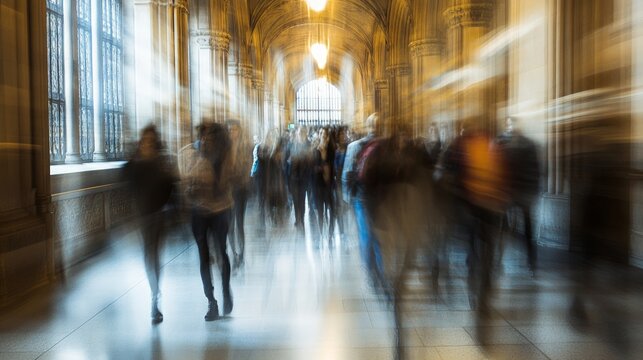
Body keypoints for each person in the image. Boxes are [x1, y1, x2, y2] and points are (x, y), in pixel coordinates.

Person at [124, 125, 176, 324]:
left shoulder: (161, 163)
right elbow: (127, 181)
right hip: (143, 216)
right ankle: (154, 292)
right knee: (149, 255)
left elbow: (170, 187)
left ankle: (155, 297)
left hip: (158, 215)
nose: (147, 144)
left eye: (151, 141)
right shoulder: (135, 164)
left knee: (155, 254)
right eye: (145, 140)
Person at [183, 122, 234, 321]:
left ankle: (226, 289)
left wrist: (210, 167)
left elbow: (223, 184)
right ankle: (211, 300)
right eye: (203, 136)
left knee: (221, 251)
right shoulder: (193, 155)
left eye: (210, 137)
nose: (205, 140)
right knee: (204, 257)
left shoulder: (224, 157)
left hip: (221, 209)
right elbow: (187, 182)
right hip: (199, 212)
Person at [495, 117, 540, 273]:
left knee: (504, 227)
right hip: (520, 192)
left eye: (510, 124)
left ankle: (500, 259)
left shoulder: (503, 143)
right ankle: (531, 262)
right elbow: (536, 169)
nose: (510, 127)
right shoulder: (526, 143)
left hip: (513, 191)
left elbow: (499, 167)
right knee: (523, 228)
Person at [226, 119, 252, 268]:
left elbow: (247, 167)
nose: (232, 133)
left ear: (239, 131)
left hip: (241, 189)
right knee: (230, 224)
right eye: (229, 130)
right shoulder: (224, 149)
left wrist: (239, 178)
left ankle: (242, 252)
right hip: (228, 191)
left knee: (239, 223)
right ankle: (234, 252)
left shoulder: (245, 147)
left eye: (234, 130)